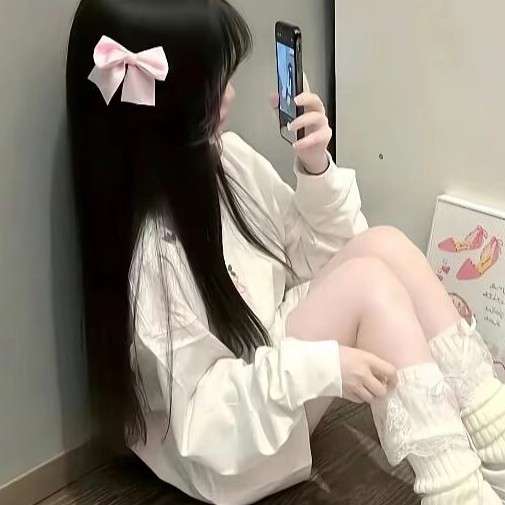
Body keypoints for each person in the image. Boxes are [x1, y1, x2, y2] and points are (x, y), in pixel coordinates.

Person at [66, 0, 505, 504]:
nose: (231, 94)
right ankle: (458, 492)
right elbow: (206, 422)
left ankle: (496, 446)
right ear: (169, 108)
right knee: (369, 285)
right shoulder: (153, 258)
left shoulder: (225, 159)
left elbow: (315, 262)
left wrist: (316, 168)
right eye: (215, 84)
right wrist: (322, 368)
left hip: (271, 379)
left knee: (383, 246)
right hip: (230, 449)